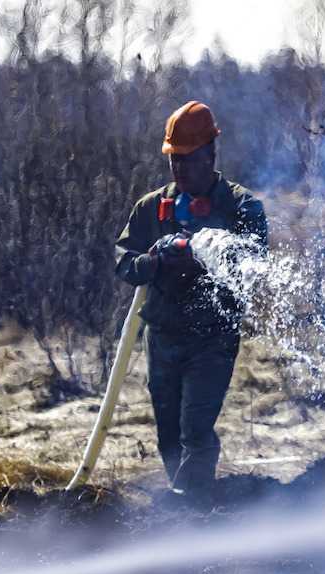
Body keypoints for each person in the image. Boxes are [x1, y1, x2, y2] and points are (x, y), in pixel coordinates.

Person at [114, 100, 268, 507]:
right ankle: (187, 505)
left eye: (188, 159)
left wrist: (203, 261)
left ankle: (190, 505)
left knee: (195, 430)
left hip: (212, 338)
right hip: (163, 336)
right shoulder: (151, 208)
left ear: (210, 155)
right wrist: (154, 262)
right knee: (168, 433)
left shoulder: (241, 206)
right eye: (174, 160)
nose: (179, 169)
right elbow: (123, 261)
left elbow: (255, 265)